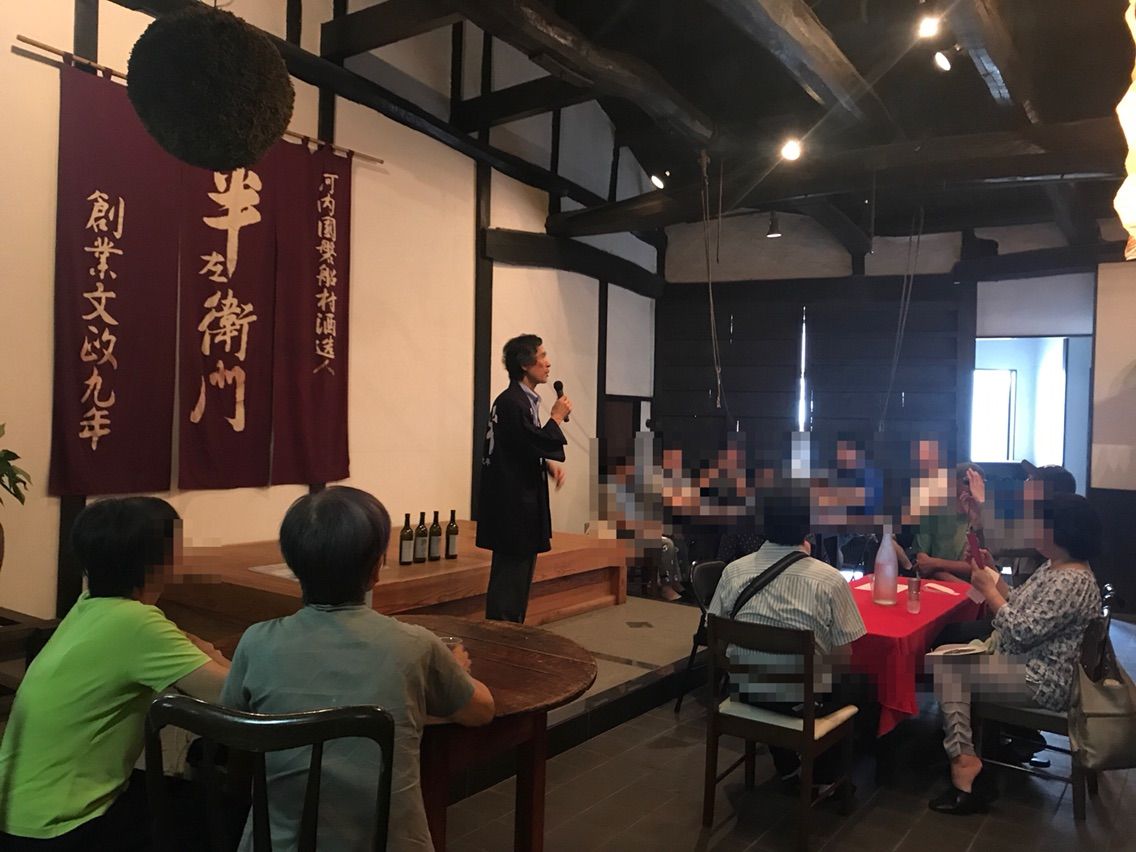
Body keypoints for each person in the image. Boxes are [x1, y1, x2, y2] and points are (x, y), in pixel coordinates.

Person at [220, 487, 495, 852]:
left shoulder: (256, 642)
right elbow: (481, 710)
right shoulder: (415, 645)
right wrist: (454, 671)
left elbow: (233, 727)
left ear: (292, 566)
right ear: (376, 568)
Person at [0, 497, 230, 850]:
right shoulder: (136, 623)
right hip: (58, 827)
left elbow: (186, 644)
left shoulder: (90, 607)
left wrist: (205, 650)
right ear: (159, 562)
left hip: (17, 812)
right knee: (223, 815)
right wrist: (223, 655)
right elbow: (232, 694)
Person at [927, 493, 1103, 815]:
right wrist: (991, 573)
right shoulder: (1057, 567)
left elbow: (1021, 632)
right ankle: (965, 753)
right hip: (1030, 665)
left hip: (1043, 680)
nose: (1035, 529)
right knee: (944, 656)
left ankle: (963, 763)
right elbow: (1018, 601)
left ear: (1062, 533)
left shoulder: (1071, 580)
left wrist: (988, 590)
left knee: (948, 669)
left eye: (1042, 524)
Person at [708, 494, 868, 792]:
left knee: (786, 676)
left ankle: (788, 766)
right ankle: (825, 775)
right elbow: (843, 656)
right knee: (860, 683)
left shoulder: (733, 572)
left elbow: (714, 632)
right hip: (800, 704)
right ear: (808, 528)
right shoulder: (829, 580)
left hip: (746, 692)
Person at [477, 334, 571, 622]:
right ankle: (503, 636)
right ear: (525, 364)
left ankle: (511, 633)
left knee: (517, 579)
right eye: (542, 356)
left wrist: (545, 465)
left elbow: (518, 446)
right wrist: (556, 418)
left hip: (516, 500)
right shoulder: (512, 402)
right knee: (510, 580)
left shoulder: (520, 400)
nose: (548, 363)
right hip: (512, 504)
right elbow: (529, 441)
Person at [912, 462, 986, 582]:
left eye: (978, 484)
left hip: (974, 583)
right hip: (938, 583)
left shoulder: (978, 520)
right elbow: (923, 562)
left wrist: (936, 564)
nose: (972, 488)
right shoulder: (932, 514)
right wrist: (941, 571)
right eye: (967, 482)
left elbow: (979, 565)